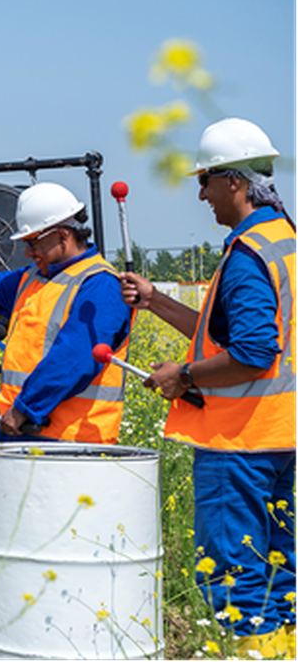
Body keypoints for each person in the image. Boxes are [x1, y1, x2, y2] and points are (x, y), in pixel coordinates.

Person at [121, 118, 296, 658]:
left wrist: (184, 376)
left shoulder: (246, 255)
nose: (202, 194)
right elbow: (219, 333)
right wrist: (155, 300)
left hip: (238, 441)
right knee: (278, 564)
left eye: (207, 182)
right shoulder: (283, 239)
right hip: (280, 436)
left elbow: (250, 353)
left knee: (234, 574)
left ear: (237, 183)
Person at [0, 182, 133, 442]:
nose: (28, 252)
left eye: (33, 242)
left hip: (70, 442)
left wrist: (23, 409)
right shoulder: (31, 279)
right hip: (21, 431)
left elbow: (76, 358)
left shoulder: (101, 285)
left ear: (63, 236)